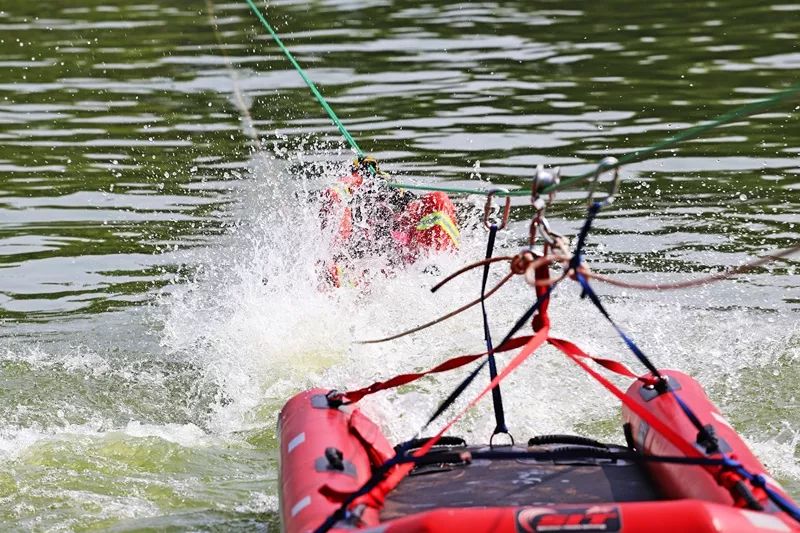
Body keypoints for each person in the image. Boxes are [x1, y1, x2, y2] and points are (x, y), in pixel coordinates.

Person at [319, 157, 460, 287]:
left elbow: (411, 205)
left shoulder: (395, 208)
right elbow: (334, 192)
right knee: (332, 268)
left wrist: (388, 185)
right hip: (359, 278)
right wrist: (358, 178)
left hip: (414, 271)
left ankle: (435, 272)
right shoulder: (345, 204)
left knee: (438, 199)